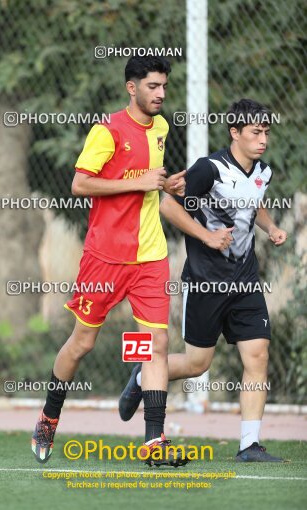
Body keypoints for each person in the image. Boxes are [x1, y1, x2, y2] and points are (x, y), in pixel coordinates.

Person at [31, 55, 188, 466]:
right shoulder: (108, 129)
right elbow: (80, 183)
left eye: (164, 87)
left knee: (158, 343)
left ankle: (154, 442)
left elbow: (148, 184)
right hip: (105, 258)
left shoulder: (162, 128)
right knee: (83, 342)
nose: (161, 94)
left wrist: (165, 183)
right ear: (131, 88)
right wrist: (137, 182)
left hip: (151, 256)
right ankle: (49, 415)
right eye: (153, 86)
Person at [119, 98, 288, 462]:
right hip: (205, 280)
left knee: (257, 354)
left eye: (266, 132)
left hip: (244, 280)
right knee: (198, 364)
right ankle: (141, 376)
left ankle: (249, 445)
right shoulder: (208, 169)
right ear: (235, 133)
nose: (263, 140)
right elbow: (168, 205)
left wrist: (271, 227)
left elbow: (253, 200)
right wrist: (208, 237)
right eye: (255, 132)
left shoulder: (263, 172)